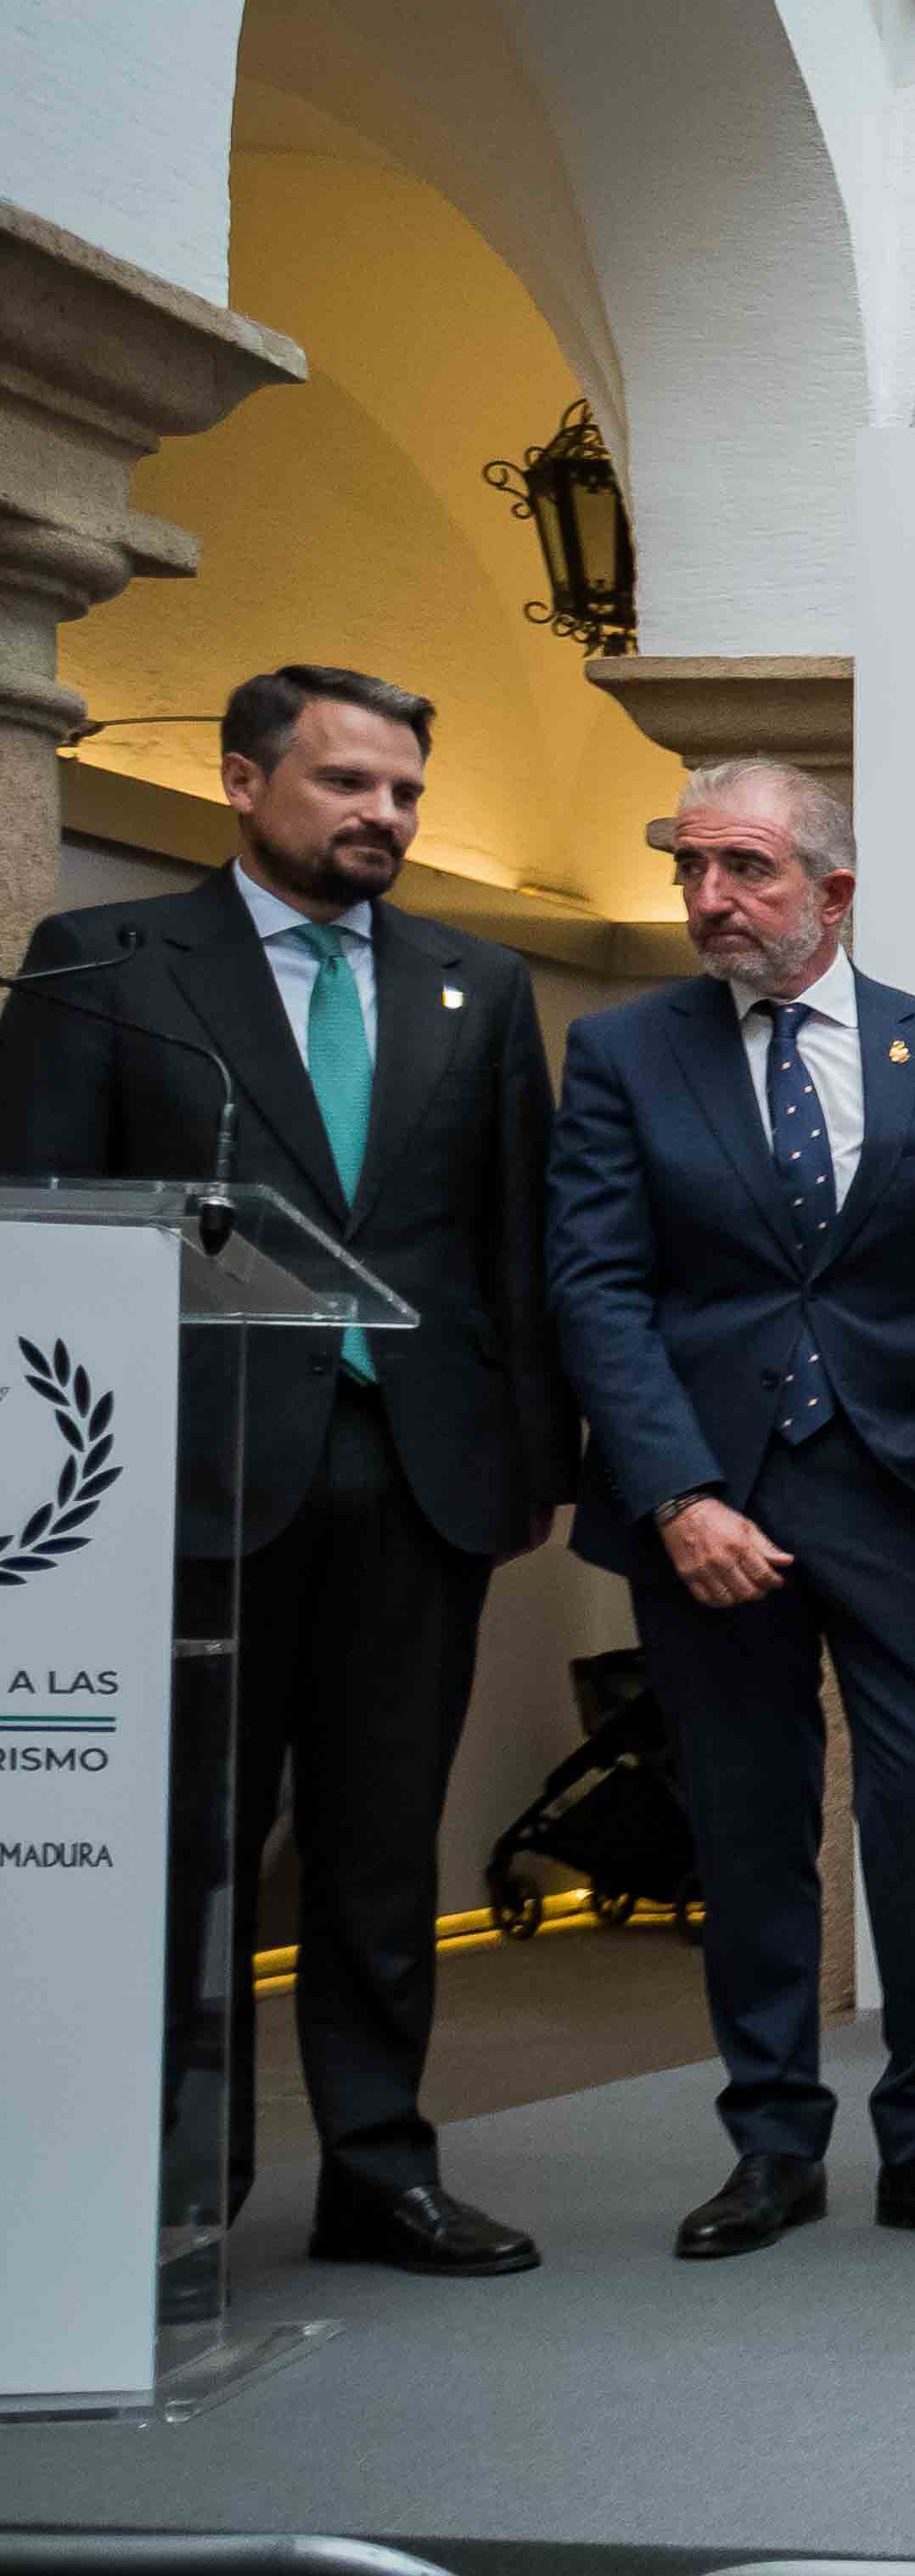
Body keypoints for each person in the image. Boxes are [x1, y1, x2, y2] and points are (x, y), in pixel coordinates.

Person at [0, 663, 563, 2274]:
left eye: (401, 792)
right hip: (186, 1482)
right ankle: (174, 2187)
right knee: (190, 1844)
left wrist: (535, 1464)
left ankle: (380, 2168)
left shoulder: (478, 981)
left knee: (384, 1844)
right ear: (246, 785)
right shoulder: (108, 963)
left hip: (418, 1476)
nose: (381, 816)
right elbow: (38, 1228)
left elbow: (509, 1251)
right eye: (346, 785)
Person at [542, 762, 915, 2262]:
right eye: (693, 869)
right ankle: (769, 2143)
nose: (709, 900)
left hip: (912, 1479)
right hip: (709, 1496)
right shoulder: (624, 1052)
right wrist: (674, 1489)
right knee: (746, 1826)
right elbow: (597, 1287)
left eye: (746, 869)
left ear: (834, 889)